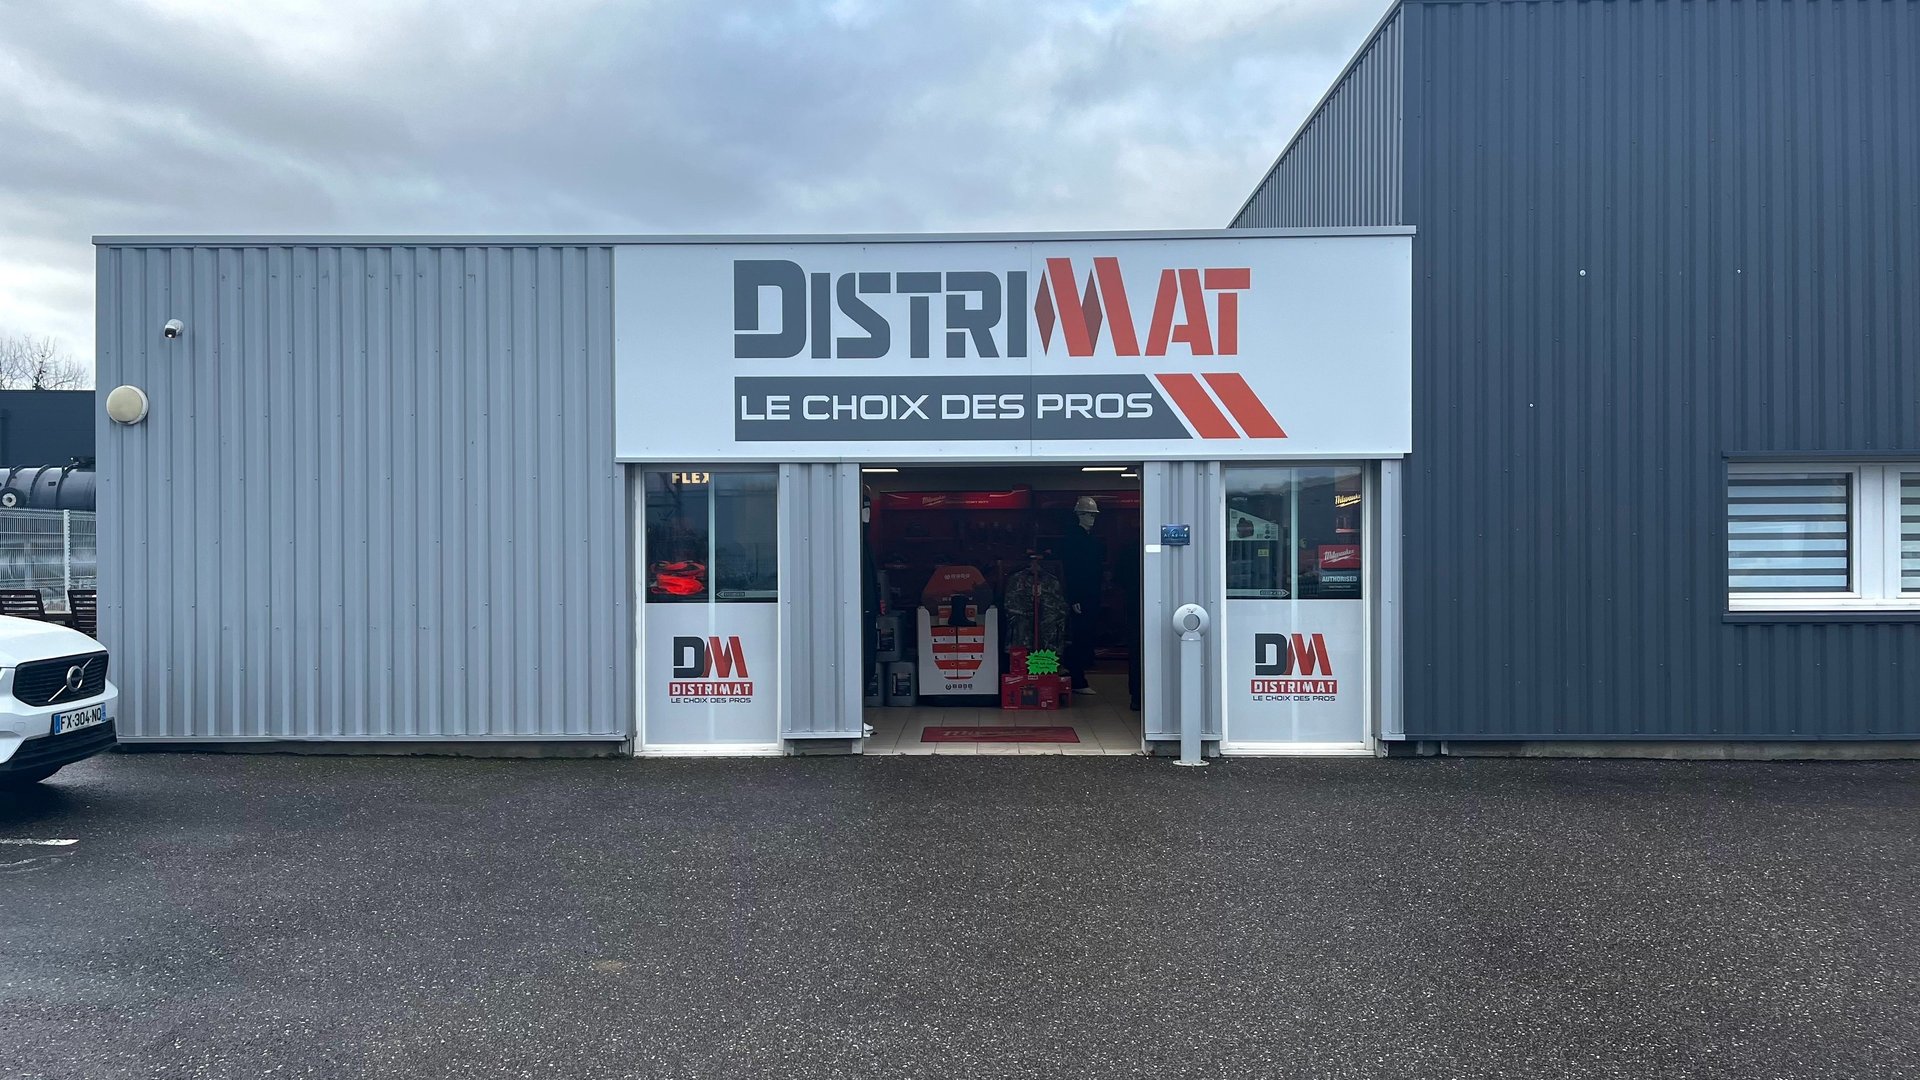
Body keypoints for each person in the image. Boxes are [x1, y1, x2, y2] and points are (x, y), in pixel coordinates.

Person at [1058, 495, 1106, 693]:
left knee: (1084, 634)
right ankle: (1076, 677)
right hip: (1082, 594)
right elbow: (1073, 570)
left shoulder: (1085, 538)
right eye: (1088, 515)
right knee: (1079, 635)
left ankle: (1078, 674)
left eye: (1093, 516)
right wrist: (1075, 597)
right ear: (1079, 515)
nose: (1091, 519)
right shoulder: (1075, 540)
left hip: (1088, 593)